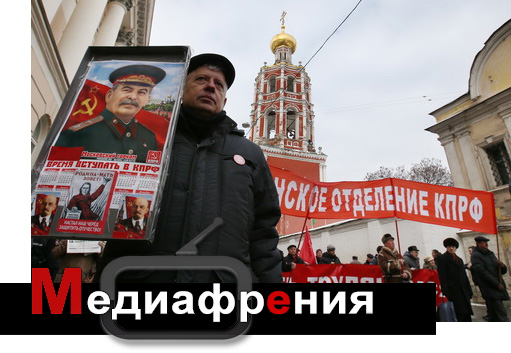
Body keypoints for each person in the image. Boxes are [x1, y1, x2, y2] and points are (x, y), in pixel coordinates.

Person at [98, 53, 282, 283]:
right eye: (201, 80)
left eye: (219, 85)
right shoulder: (146, 139)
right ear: (181, 90)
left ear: (224, 100)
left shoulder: (250, 154)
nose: (210, 87)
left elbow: (264, 231)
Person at [55, 64, 166, 163]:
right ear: (109, 95)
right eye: (127, 89)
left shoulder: (149, 137)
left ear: (147, 100)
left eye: (141, 92)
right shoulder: (76, 134)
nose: (133, 97)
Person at [471, 235, 509, 321]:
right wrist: (496, 284)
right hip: (490, 287)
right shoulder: (476, 256)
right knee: (502, 313)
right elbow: (482, 273)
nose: (485, 244)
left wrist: (502, 266)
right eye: (483, 242)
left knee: (494, 314)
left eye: (486, 242)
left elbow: (499, 271)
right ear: (478, 244)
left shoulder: (489, 253)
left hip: (497, 286)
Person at [436, 238, 473, 321]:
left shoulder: (459, 260)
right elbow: (442, 276)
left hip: (463, 290)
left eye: (453, 247)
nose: (451, 248)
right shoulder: (442, 258)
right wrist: (446, 291)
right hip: (453, 290)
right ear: (446, 247)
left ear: (456, 248)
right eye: (449, 246)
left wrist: (469, 290)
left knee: (466, 313)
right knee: (457, 313)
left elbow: (464, 276)